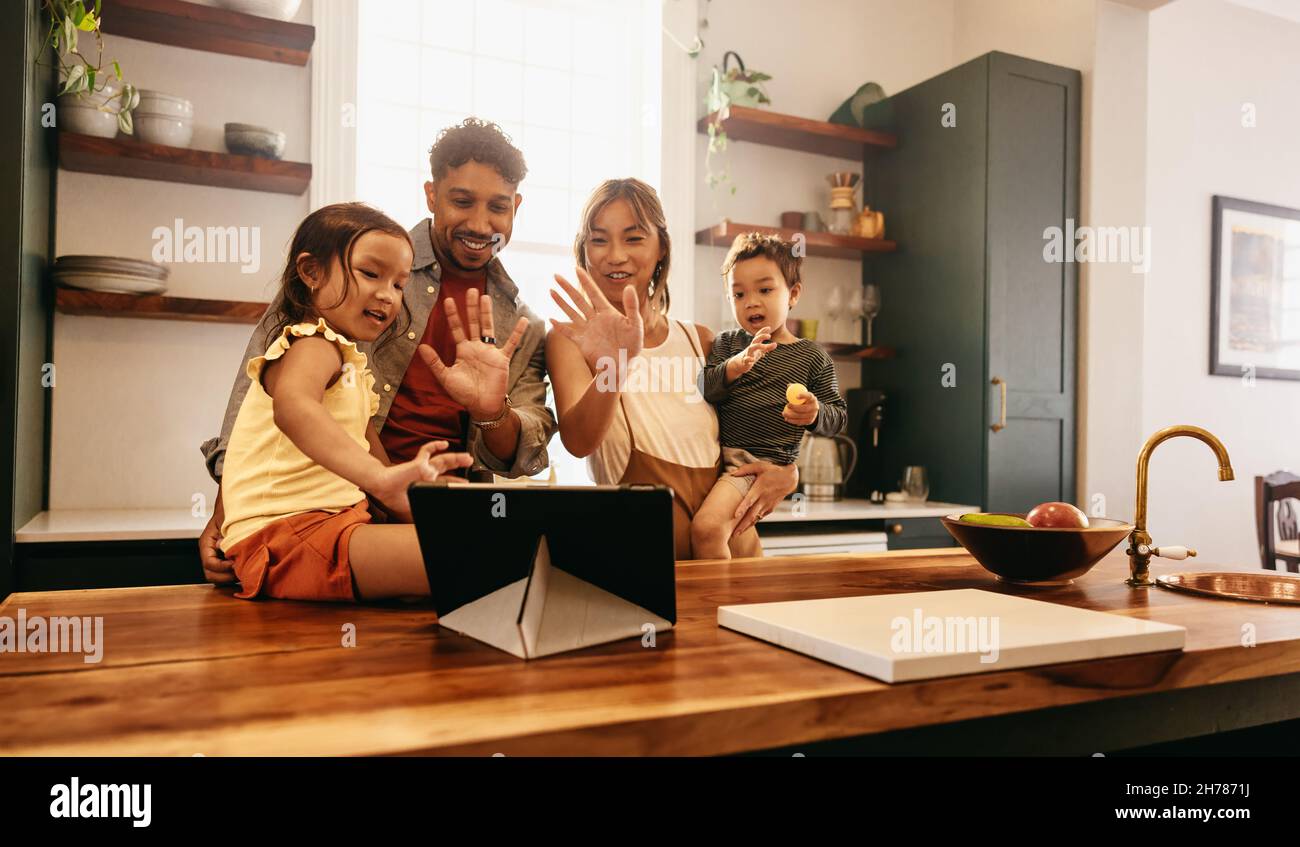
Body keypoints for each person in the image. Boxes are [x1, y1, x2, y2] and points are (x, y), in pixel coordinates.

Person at [199, 118, 556, 585]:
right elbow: (264, 404)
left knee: (510, 561)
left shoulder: (521, 321)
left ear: (517, 208)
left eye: (498, 207)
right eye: (461, 201)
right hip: (327, 507)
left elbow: (526, 452)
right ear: (431, 195)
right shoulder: (347, 269)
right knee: (482, 564)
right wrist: (229, 508)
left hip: (396, 502)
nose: (479, 223)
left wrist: (491, 413)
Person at [218, 203, 481, 601]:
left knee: (479, 541)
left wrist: (423, 492)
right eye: (370, 273)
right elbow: (294, 407)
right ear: (312, 272)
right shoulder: (312, 344)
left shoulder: (351, 370)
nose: (387, 295)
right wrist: (380, 481)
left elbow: (381, 474)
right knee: (474, 556)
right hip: (289, 534)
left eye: (398, 284)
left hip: (326, 528)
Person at [546, 179, 798, 559]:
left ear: (661, 246)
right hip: (644, 568)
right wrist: (615, 365)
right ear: (584, 250)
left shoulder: (702, 341)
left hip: (736, 557)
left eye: (633, 238)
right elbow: (579, 441)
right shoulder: (569, 340)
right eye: (599, 240)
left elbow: (762, 424)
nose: (615, 255)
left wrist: (787, 472)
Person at [690, 232, 847, 558]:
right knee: (741, 548)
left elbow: (839, 417)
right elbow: (704, 388)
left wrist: (816, 413)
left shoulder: (812, 357)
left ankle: (712, 608)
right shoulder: (729, 344)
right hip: (718, 463)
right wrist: (734, 367)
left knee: (707, 530)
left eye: (765, 289)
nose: (751, 301)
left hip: (754, 466)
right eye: (738, 294)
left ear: (793, 294)